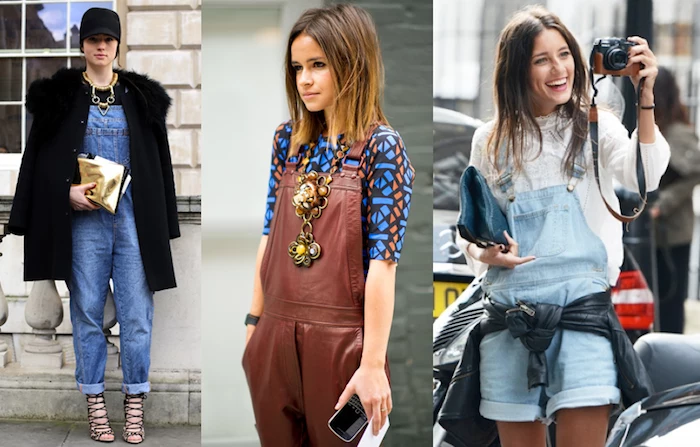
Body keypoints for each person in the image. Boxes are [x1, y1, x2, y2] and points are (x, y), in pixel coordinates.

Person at [461, 6, 669, 447]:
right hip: (509, 318)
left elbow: (644, 174)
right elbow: (475, 235)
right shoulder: (490, 139)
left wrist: (645, 97)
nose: (559, 70)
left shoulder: (594, 126)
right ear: (517, 69)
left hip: (582, 319)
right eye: (541, 59)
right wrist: (487, 253)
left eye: (564, 55)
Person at [241, 4, 414, 446]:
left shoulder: (382, 148)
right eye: (298, 67)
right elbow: (269, 234)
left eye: (318, 65)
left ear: (351, 63)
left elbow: (384, 264)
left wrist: (372, 363)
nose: (304, 79)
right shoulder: (288, 141)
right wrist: (253, 327)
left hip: (342, 349)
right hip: (273, 338)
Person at [9, 7, 179, 444]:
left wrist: (166, 227)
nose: (101, 46)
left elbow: (160, 167)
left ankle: (135, 406)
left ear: (118, 44)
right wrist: (63, 192)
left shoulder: (142, 98)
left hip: (133, 222)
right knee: (86, 313)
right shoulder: (59, 97)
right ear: (82, 45)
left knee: (137, 315)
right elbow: (37, 163)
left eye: (108, 38)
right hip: (83, 224)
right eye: (93, 39)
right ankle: (96, 406)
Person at [650, 66, 700, 333]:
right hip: (651, 233)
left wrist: (663, 203)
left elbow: (694, 172)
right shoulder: (654, 127)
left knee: (670, 304)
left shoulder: (677, 132)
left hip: (673, 235)